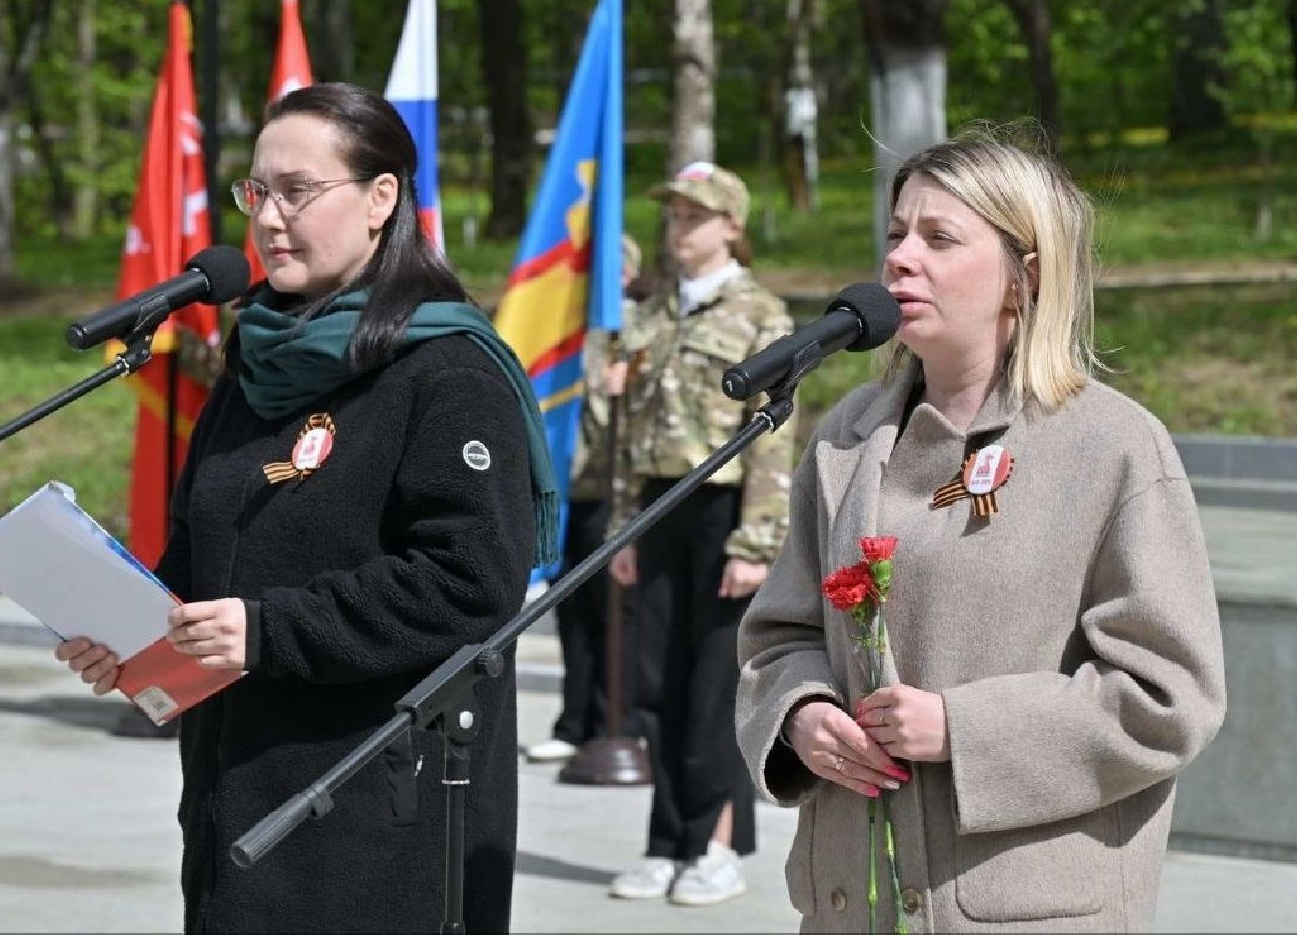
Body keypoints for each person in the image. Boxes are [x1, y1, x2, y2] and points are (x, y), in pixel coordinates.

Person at [54, 82, 558, 934]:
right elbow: (202, 549)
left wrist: (266, 630)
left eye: (298, 191)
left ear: (381, 198)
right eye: (257, 192)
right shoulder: (256, 358)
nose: (269, 218)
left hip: (377, 804)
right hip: (235, 790)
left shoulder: (447, 372)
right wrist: (134, 638)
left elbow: (471, 583)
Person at [736, 128, 1228, 932]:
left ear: (1021, 278)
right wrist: (800, 716)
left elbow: (1169, 696)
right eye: (895, 234)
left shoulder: (1110, 446)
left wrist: (964, 729)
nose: (898, 259)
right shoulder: (845, 435)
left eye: (938, 238)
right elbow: (778, 637)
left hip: (1021, 907)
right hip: (852, 900)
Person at [606, 161, 796, 907]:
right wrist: (624, 526)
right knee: (656, 681)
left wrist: (756, 540)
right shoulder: (650, 316)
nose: (679, 228)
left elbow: (772, 437)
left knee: (714, 680)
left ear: (731, 228)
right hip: (658, 506)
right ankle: (666, 839)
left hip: (722, 512)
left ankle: (712, 843)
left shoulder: (761, 316)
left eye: (695, 215)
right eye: (674, 215)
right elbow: (629, 434)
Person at [525, 233, 646, 764]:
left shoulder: (638, 327)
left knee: (611, 613)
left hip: (613, 490)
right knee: (568, 607)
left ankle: (614, 721)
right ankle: (574, 722)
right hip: (567, 487)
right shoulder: (567, 330)